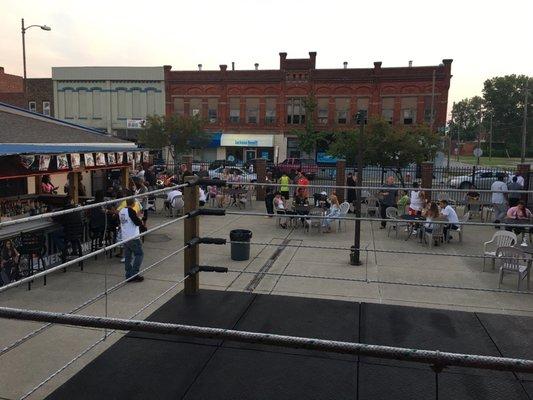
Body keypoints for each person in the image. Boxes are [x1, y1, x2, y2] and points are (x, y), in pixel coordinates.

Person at [119, 198, 145, 282]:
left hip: (125, 237)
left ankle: (128, 274)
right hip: (133, 237)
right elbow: (137, 222)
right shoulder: (131, 211)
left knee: (128, 256)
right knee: (139, 254)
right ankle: (134, 274)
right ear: (133, 203)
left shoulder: (121, 211)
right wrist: (140, 217)